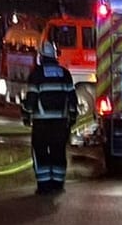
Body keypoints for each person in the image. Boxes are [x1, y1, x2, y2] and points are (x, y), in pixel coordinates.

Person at [20, 38, 79, 194]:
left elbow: (31, 99)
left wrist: (26, 114)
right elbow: (72, 99)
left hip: (41, 124)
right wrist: (72, 117)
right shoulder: (65, 74)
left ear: (41, 56)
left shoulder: (37, 75)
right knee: (58, 152)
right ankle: (58, 184)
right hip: (60, 123)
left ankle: (44, 186)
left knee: (40, 152)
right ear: (55, 56)